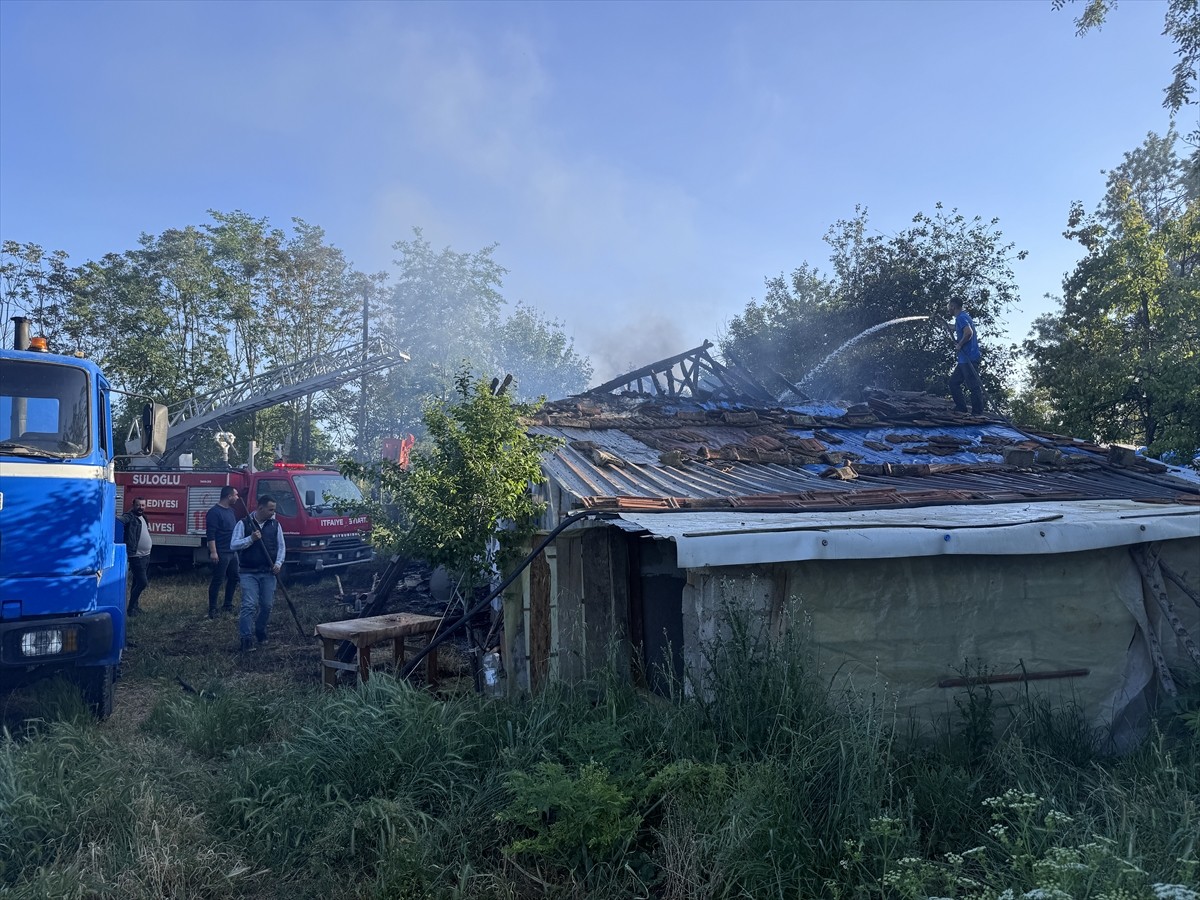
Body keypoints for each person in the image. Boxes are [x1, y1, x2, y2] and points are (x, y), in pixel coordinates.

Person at [230, 493, 285, 652]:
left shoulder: (275, 525)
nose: (273, 513)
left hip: (268, 572)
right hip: (248, 572)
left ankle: (260, 631)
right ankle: (246, 639)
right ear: (260, 508)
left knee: (267, 605)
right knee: (249, 604)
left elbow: (281, 546)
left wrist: (278, 563)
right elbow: (233, 545)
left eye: (274, 510)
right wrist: (250, 539)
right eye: (270, 509)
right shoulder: (243, 523)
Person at [205, 485, 241, 619]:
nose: (237, 497)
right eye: (236, 495)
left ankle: (227, 605)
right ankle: (212, 609)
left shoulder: (231, 511)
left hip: (232, 551)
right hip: (221, 552)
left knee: (234, 577)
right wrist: (213, 552)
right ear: (229, 496)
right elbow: (211, 534)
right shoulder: (214, 512)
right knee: (218, 580)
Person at [946, 297, 986, 415]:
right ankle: (961, 408)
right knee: (954, 382)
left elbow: (968, 333)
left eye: (949, 306)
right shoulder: (964, 317)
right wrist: (945, 325)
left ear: (953, 306)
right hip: (964, 359)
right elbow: (958, 328)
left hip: (969, 358)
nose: (948, 309)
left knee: (973, 386)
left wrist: (960, 344)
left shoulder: (961, 318)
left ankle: (977, 413)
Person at [119, 497, 151, 616]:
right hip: (136, 556)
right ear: (133, 505)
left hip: (146, 555)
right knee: (143, 583)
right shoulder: (130, 517)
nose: (140, 508)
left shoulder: (143, 517)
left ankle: (135, 608)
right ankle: (130, 608)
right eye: (138, 505)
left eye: (143, 505)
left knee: (136, 582)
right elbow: (121, 520)